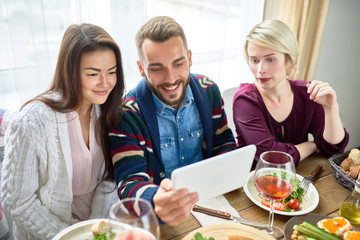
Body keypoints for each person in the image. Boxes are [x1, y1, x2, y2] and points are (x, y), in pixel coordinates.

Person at [1, 23, 125, 240]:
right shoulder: (32, 122)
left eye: (112, 72)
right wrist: (73, 235)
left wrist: (94, 230)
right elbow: (18, 201)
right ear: (70, 73)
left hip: (98, 230)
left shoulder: (107, 110)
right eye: (93, 74)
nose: (105, 83)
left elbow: (109, 178)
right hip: (50, 234)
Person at [109, 16, 235, 226]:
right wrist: (155, 198)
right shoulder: (126, 115)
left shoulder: (209, 90)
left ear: (190, 58)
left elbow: (225, 144)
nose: (170, 78)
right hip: (160, 218)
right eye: (157, 69)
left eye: (178, 63)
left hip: (212, 204)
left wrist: (221, 176)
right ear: (141, 68)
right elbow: (129, 183)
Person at [233, 19, 349, 167]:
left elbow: (333, 149)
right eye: (254, 60)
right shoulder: (245, 101)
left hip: (298, 177)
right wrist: (312, 145)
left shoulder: (308, 93)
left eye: (270, 59)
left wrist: (331, 108)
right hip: (252, 181)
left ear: (289, 60)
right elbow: (270, 158)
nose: (260, 69)